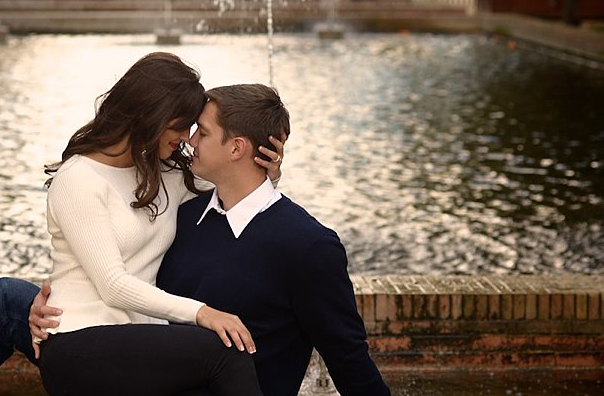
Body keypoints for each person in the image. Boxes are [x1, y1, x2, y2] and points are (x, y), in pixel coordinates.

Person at [0, 53, 284, 396]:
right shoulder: (79, 180)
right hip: (80, 341)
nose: (188, 139)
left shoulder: (162, 171)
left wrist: (267, 168)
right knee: (221, 352)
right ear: (153, 116)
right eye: (182, 125)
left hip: (135, 338)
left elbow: (232, 185)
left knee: (6, 296)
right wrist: (202, 312)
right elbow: (112, 285)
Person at [33, 84, 391, 396]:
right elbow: (123, 270)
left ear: (236, 148)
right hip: (139, 382)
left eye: (201, 133)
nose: (188, 142)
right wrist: (52, 295)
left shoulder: (307, 246)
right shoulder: (185, 218)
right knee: (7, 298)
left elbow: (348, 357)